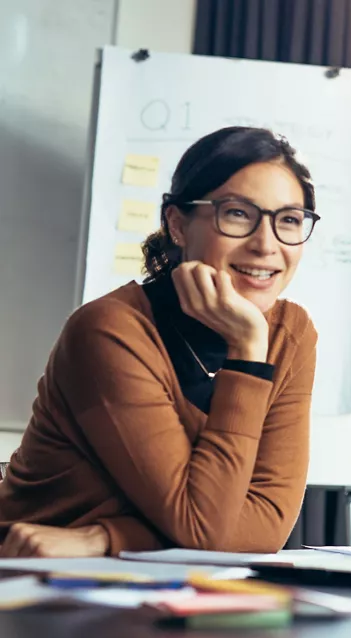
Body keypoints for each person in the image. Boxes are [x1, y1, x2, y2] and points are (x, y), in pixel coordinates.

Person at [0, 126, 319, 557]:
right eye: (238, 214)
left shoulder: (290, 335)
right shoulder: (110, 330)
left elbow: (266, 527)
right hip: (32, 577)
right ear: (178, 224)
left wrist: (102, 537)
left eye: (289, 220)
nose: (266, 245)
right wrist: (246, 352)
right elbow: (202, 527)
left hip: (152, 580)